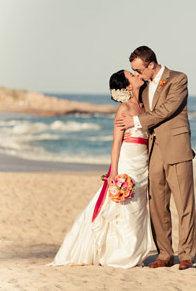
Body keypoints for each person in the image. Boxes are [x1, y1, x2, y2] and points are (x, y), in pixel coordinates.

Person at [49, 70, 153, 269]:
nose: (137, 74)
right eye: (132, 75)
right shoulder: (124, 109)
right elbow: (116, 143)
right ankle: (120, 255)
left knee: (139, 207)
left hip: (144, 162)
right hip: (128, 161)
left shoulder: (144, 106)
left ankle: (133, 252)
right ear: (128, 87)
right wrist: (114, 173)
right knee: (126, 208)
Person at [115, 46, 196, 270]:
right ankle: (164, 254)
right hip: (152, 151)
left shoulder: (178, 79)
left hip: (177, 148)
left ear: (151, 64)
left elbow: (168, 109)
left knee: (184, 204)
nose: (137, 75)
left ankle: (187, 254)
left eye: (139, 70)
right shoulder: (142, 88)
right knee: (157, 204)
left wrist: (136, 122)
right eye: (134, 71)